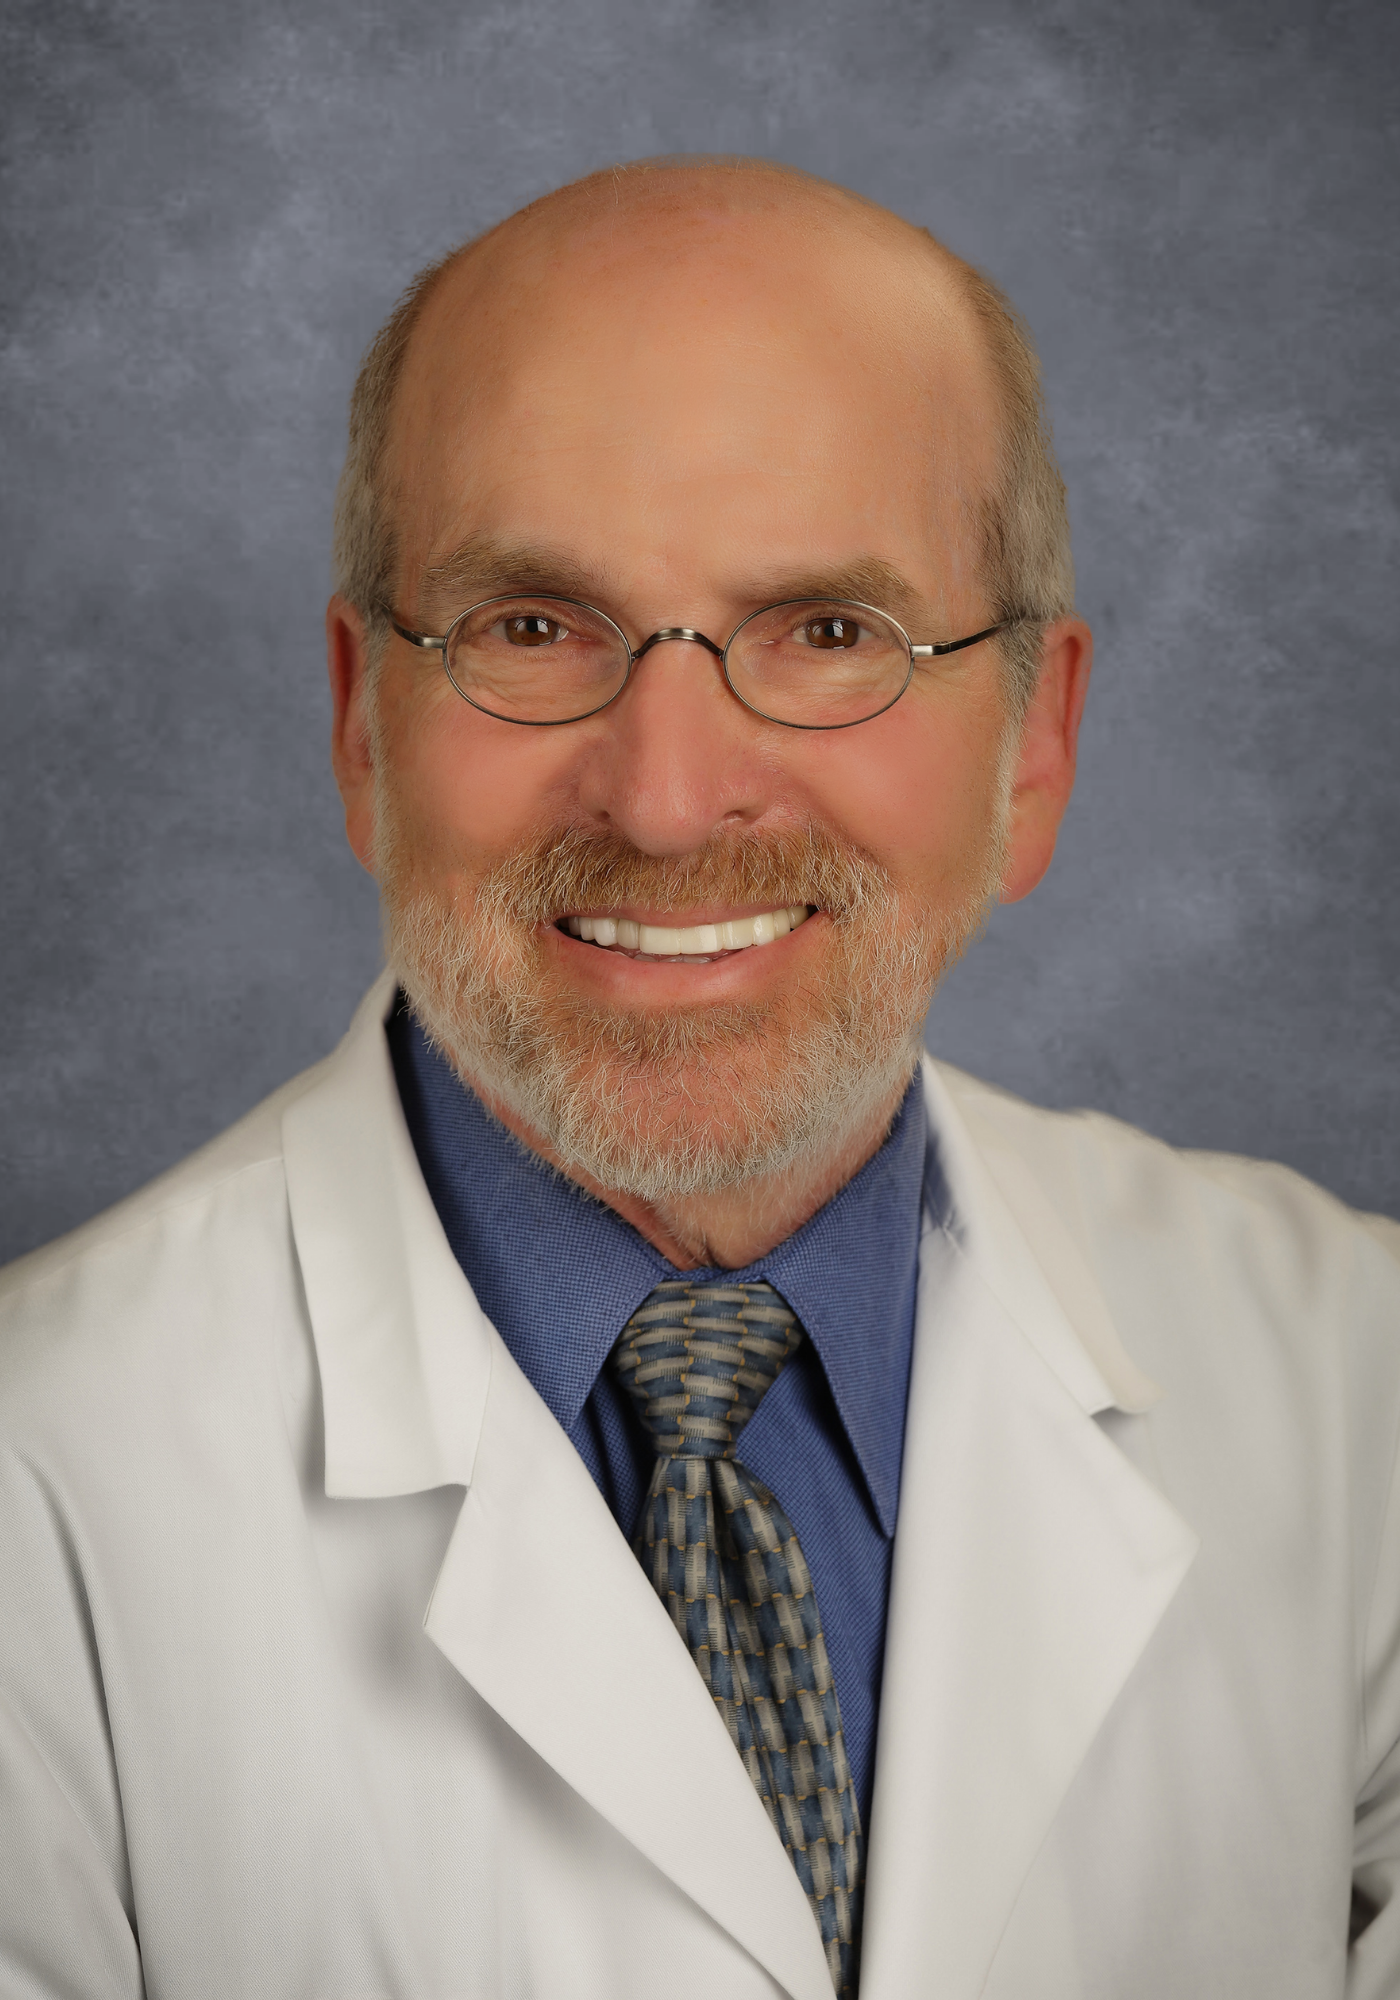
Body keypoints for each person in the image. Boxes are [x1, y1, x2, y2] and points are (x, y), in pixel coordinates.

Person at [1, 156, 1397, 2000]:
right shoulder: (38, 1481)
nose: (666, 800)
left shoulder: (1357, 1381)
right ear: (361, 723)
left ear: (1035, 749)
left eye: (828, 633)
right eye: (531, 627)